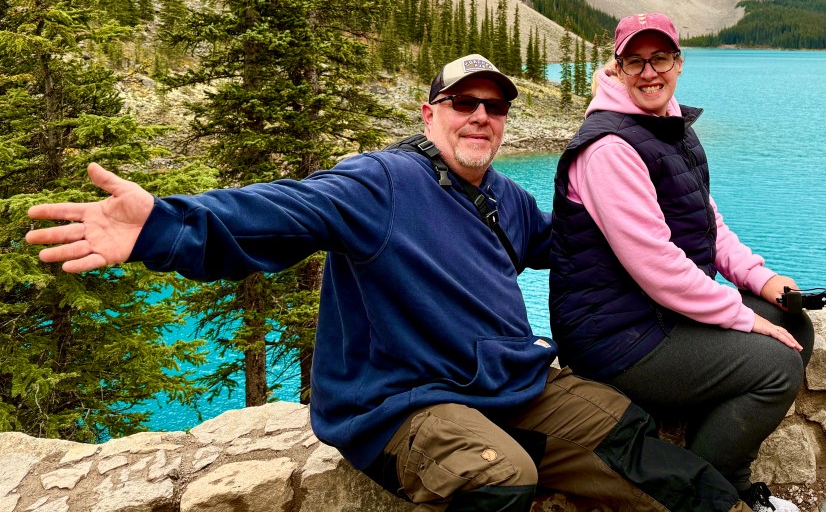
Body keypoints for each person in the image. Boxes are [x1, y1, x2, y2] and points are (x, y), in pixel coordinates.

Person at [28, 53, 754, 512]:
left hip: (506, 382)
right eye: (463, 103)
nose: (480, 117)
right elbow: (280, 211)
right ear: (429, 113)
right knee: (497, 476)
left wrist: (672, 229)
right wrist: (159, 226)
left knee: (614, 424)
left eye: (494, 107)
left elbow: (579, 247)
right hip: (404, 401)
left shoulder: (505, 197)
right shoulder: (378, 182)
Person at [550, 15, 814, 512]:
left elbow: (708, 225)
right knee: (777, 363)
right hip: (614, 340)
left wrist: (764, 280)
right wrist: (744, 318)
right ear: (619, 68)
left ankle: (709, 469)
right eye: (635, 61)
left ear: (679, 63)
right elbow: (658, 267)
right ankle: (715, 494)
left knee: (793, 322)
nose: (650, 72)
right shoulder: (609, 147)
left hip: (654, 319)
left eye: (661, 59)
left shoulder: (669, 128)